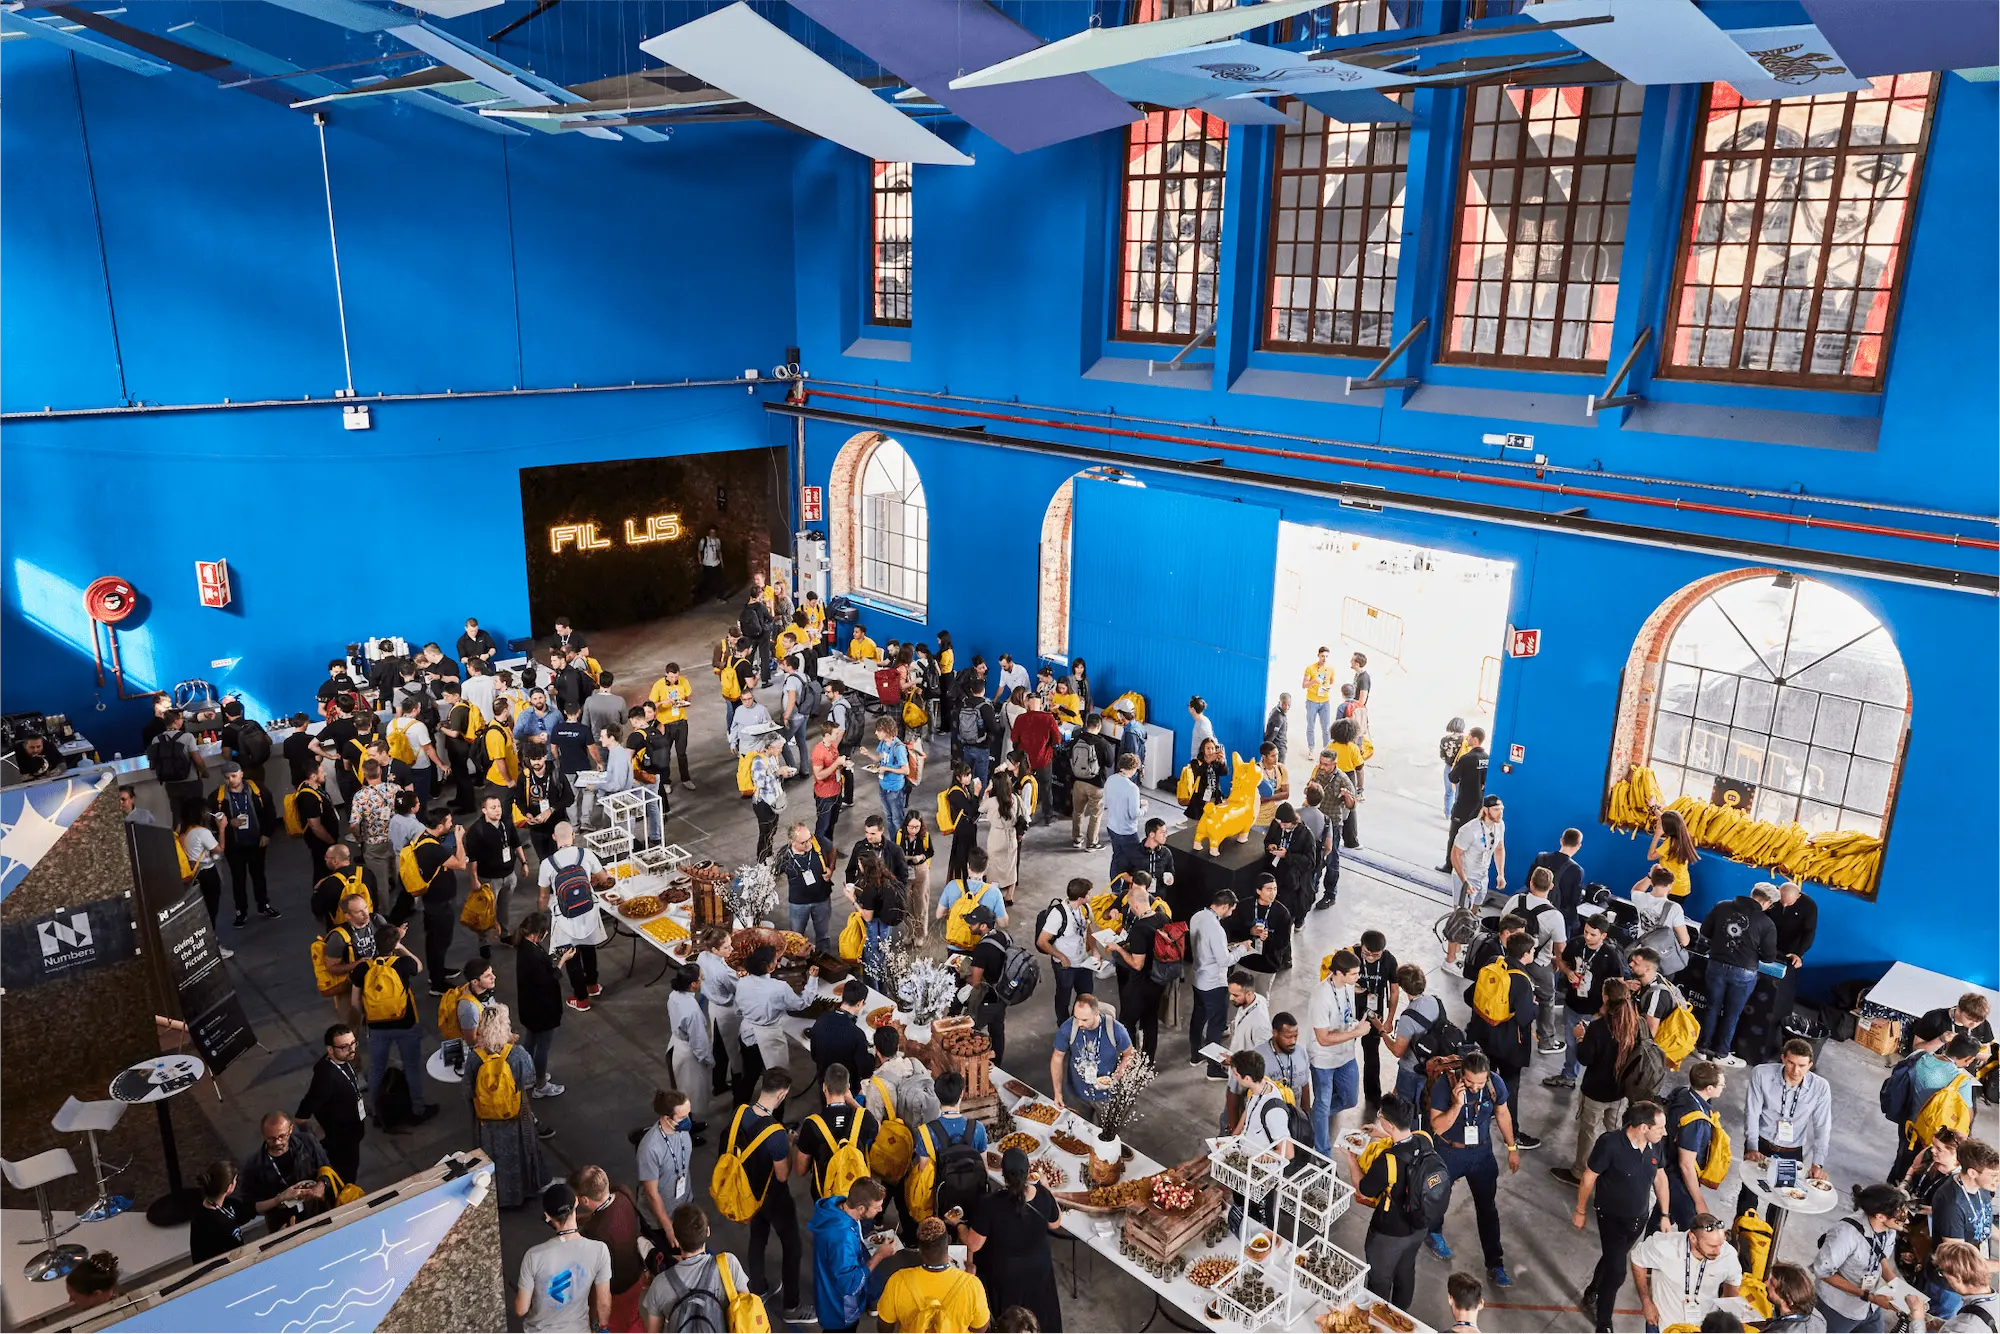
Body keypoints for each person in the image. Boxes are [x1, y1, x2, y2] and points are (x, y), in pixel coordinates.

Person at [1572, 1100, 1673, 1334]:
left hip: (1639, 1219)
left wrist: (1665, 1214)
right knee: (1617, 1272)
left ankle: (1592, 1290)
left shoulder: (1655, 1144)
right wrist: (1580, 1210)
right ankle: (1604, 1324)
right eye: (1660, 1127)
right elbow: (1589, 1177)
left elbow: (1660, 1179)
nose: (1665, 1132)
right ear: (1643, 1127)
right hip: (1612, 1219)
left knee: (1612, 1258)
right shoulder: (1610, 1144)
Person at [1427, 1049, 1521, 1285]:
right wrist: (1457, 1105)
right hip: (1449, 1151)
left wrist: (1512, 1148)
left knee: (1487, 1208)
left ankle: (1495, 1264)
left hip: (1481, 1153)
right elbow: (1437, 1127)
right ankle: (1434, 1232)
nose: (1476, 1087)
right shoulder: (1444, 1085)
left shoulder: (1494, 1084)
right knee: (1438, 1198)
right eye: (1470, 1081)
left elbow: (1503, 1114)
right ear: (1461, 1075)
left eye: (1480, 1082)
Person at [1346, 1093, 1437, 1311]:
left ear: (1388, 1122)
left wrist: (1350, 1157)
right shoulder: (1425, 1137)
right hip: (1419, 1225)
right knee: (1406, 1272)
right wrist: (1380, 1134)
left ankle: (1379, 1320)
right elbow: (1405, 1141)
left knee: (1380, 1279)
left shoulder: (1387, 1161)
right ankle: (1401, 1317)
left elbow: (1364, 1190)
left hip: (1389, 1233)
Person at [1553, 980, 1645, 1189]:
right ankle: (1612, 1171)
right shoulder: (1635, 1025)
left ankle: (1579, 1173)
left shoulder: (1598, 1028)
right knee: (1616, 1133)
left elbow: (1585, 1058)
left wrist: (1579, 1038)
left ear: (1605, 998)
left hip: (1596, 1091)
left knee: (1588, 1132)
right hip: (1621, 1092)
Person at [734, 1069, 808, 1321]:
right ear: (783, 1094)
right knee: (793, 1246)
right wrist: (788, 1144)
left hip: (748, 1192)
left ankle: (759, 1287)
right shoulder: (776, 1133)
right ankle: (792, 1306)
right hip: (774, 1196)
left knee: (758, 1237)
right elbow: (783, 1175)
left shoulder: (740, 1113)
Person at [966, 1148, 1064, 1333]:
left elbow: (973, 1244)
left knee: (1012, 1322)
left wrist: (959, 1226)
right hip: (1039, 1269)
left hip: (1006, 1273)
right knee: (1040, 1313)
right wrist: (1047, 1188)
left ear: (1002, 1173)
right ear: (1028, 1172)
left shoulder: (990, 1204)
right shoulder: (1042, 1195)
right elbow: (1056, 1223)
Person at [1813, 1184, 1925, 1334]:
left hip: (1869, 1307)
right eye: (1900, 1217)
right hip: (1837, 1308)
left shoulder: (1889, 1229)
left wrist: (1900, 1290)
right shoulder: (1845, 1233)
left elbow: (1880, 1257)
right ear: (1880, 1216)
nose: (1907, 1222)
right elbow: (1823, 1272)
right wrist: (1869, 1296)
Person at [1468, 932, 1543, 1150]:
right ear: (1526, 954)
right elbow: (1524, 1016)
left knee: (1485, 1077)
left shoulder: (1494, 963)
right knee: (1510, 1088)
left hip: (1485, 1036)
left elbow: (1469, 995)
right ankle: (1514, 1132)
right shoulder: (1521, 979)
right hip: (1510, 1045)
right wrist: (1535, 1006)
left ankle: (1479, 1114)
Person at [1742, 1038, 1835, 1209]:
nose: (1796, 1070)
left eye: (1802, 1065)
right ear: (1783, 1058)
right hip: (1761, 1143)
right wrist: (1752, 1146)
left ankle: (1773, 1234)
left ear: (1810, 1065)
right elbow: (1752, 1112)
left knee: (1785, 1200)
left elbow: (1822, 1126)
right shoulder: (1762, 1074)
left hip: (1791, 1151)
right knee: (1749, 1195)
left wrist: (1817, 1163)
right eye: (1791, 1063)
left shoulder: (1820, 1088)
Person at [359, 922, 434, 1127]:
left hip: (376, 1027)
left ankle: (375, 1110)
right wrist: (400, 946)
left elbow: (355, 1002)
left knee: (376, 1069)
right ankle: (418, 1108)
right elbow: (418, 965)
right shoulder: (402, 965)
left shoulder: (363, 968)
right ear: (394, 945)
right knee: (412, 1067)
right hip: (405, 1024)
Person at [1697, 884, 1780, 1066]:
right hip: (1743, 973)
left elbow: (1705, 931)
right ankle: (1721, 1054)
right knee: (1731, 1014)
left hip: (1716, 964)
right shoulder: (1767, 924)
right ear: (1767, 902)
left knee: (1711, 1008)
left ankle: (1702, 1049)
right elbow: (1768, 957)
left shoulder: (1722, 906)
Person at [515, 1182, 612, 1334]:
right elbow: (604, 1303)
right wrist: (603, 1327)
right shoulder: (599, 1250)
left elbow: (521, 1309)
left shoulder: (533, 1256)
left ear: (547, 1216)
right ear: (577, 1202)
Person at [641, 1202, 752, 1333]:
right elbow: (747, 1312)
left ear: (676, 1238)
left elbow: (653, 1331)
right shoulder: (728, 1264)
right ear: (708, 1232)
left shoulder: (660, 1284)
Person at [1630, 1212, 1744, 1333]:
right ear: (1693, 1237)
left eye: (1721, 1244)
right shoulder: (1665, 1245)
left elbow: (1733, 1281)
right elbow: (1637, 1260)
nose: (1718, 1251)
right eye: (1712, 1246)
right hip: (1664, 1325)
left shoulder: (1728, 1255)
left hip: (1701, 1328)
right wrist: (1646, 1302)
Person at [536, 822, 607, 1011]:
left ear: (554, 838)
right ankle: (592, 985)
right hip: (588, 911)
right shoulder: (586, 854)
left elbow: (543, 896)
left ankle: (581, 999)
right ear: (573, 835)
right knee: (589, 946)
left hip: (565, 917)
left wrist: (542, 913)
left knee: (570, 955)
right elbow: (604, 878)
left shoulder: (547, 864)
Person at [877, 1216, 990, 1334]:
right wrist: (968, 1280)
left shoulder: (898, 1281)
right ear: (949, 1240)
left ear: (919, 1249)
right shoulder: (972, 1285)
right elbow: (980, 1328)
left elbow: (885, 1327)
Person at [1553, 914, 1629, 1089]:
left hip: (1595, 1010)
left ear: (1603, 935)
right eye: (1586, 932)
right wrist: (1568, 972)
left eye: (1593, 934)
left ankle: (1593, 1082)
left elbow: (1618, 986)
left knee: (1593, 1048)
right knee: (1571, 1043)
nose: (1587, 937)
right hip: (1572, 1004)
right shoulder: (1576, 943)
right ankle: (1569, 1075)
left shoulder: (1611, 955)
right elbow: (1561, 960)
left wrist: (1602, 1011)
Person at [1925, 1138, 1998, 1318]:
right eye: (1993, 1175)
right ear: (1972, 1172)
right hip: (1950, 1284)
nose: (1997, 1180)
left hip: (1972, 1271)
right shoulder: (1951, 1204)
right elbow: (1959, 1262)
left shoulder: (1981, 1188)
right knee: (1941, 1322)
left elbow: (1984, 1223)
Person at [810, 1176, 892, 1334]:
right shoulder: (842, 1238)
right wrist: (879, 1256)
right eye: (877, 1207)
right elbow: (849, 1284)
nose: (881, 1210)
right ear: (861, 1208)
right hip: (840, 1309)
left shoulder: (837, 1207)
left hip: (827, 1293)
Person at [572, 1165, 648, 1333]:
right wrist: (587, 1218)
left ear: (584, 1200)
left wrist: (597, 1319)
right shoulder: (623, 1194)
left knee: (620, 1326)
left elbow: (596, 1279)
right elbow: (609, 1214)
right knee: (633, 1318)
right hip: (637, 1272)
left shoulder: (596, 1233)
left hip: (618, 1289)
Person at [1307, 949, 1368, 1156]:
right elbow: (1323, 1039)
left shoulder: (1347, 986)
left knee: (1350, 1099)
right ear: (1339, 973)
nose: (1357, 978)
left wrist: (1354, 1026)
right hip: (1323, 1061)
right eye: (1353, 974)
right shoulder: (1321, 996)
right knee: (1323, 1104)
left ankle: (1314, 1117)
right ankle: (1323, 1154)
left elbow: (1345, 1015)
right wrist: (1356, 1033)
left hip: (1346, 1055)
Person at [737, 946, 820, 1091]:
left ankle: (738, 1107)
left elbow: (739, 1008)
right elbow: (801, 1004)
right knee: (777, 1078)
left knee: (750, 1074)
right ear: (769, 966)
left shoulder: (743, 982)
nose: (777, 961)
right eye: (776, 959)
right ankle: (776, 1111)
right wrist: (812, 980)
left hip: (747, 1034)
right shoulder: (779, 987)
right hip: (769, 1036)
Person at [1657, 1061, 1729, 1226]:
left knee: (1662, 1214)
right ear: (1709, 1088)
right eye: (1721, 1085)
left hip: (1666, 1163)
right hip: (1679, 1179)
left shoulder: (1682, 1093)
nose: (1723, 1088)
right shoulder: (1696, 1121)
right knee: (1692, 1227)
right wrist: (1699, 1201)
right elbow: (1686, 1165)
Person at [294, 1024, 367, 1183]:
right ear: (330, 1050)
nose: (352, 1049)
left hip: (352, 1131)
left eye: (353, 1043)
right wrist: (312, 1137)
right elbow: (302, 1114)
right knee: (346, 1177)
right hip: (341, 1141)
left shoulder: (344, 1060)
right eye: (345, 1047)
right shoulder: (326, 1078)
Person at [795, 1063, 880, 1198]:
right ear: (848, 1088)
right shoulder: (863, 1118)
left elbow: (800, 1170)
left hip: (825, 1195)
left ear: (824, 1087)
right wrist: (852, 1101)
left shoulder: (812, 1125)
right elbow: (877, 1128)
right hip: (857, 1195)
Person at [239, 1112, 332, 1232]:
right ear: (263, 1135)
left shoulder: (308, 1142)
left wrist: (321, 1185)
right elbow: (251, 1207)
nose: (277, 1142)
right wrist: (279, 1199)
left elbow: (325, 1168)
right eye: (271, 1139)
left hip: (318, 1212)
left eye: (282, 1136)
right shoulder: (255, 1165)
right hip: (282, 1224)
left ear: (291, 1129)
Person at [1107, 877, 1168, 1061]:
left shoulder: (1140, 929)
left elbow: (1137, 964)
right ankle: (1148, 1059)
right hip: (1158, 980)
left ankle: (1129, 1059)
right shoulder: (1163, 917)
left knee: (1127, 1021)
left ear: (1134, 905)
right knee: (1150, 1020)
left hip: (1140, 983)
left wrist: (1118, 948)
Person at [210, 763, 277, 925]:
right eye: (227, 778)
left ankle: (263, 904)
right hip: (235, 845)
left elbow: (270, 811)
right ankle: (241, 911)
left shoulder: (257, 789)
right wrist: (226, 823)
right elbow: (210, 819)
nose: (231, 780)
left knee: (258, 875)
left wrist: (267, 834)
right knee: (238, 879)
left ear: (241, 774)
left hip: (256, 841)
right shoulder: (217, 797)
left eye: (234, 776)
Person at [1049, 993, 1133, 1122]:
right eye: (1076, 1017)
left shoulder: (1115, 1029)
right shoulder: (1068, 1028)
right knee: (1078, 1131)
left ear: (1096, 1014)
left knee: (1105, 1133)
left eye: (1084, 1020)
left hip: (1107, 1096)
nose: (1079, 1023)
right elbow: (1057, 1058)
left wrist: (1116, 1077)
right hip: (1077, 1094)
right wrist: (1058, 1093)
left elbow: (1129, 1054)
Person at [1446, 796, 1508, 967]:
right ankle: (1450, 959)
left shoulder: (1499, 826)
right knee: (1460, 916)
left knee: (1473, 914)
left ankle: (1459, 947)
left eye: (1502, 809)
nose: (1500, 812)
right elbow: (1455, 855)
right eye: (1496, 809)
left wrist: (1500, 874)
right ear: (1486, 810)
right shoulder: (1470, 830)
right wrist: (1465, 881)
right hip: (1466, 877)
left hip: (1482, 876)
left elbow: (1500, 848)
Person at [515, 912, 570, 1098]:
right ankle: (540, 1084)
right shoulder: (532, 955)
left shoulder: (524, 946)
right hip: (542, 1008)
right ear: (538, 933)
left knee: (530, 1040)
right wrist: (561, 963)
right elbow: (546, 981)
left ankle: (528, 1075)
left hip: (529, 1006)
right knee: (543, 1047)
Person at [1188, 888, 1237, 1079]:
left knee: (1198, 1017)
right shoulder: (1217, 929)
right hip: (1214, 983)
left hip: (1197, 977)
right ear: (1224, 906)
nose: (1231, 913)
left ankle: (1195, 1055)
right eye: (1231, 909)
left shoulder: (1197, 916)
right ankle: (1214, 1069)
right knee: (1216, 1025)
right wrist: (1241, 949)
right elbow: (1224, 961)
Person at [1036, 877, 1097, 1025]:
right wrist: (1061, 957)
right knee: (1064, 995)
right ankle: (1064, 1024)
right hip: (1065, 966)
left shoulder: (1085, 909)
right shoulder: (1058, 915)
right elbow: (1042, 941)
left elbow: (1087, 929)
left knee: (1086, 994)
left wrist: (1094, 950)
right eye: (1089, 894)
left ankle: (1077, 1019)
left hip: (1083, 962)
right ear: (1081, 898)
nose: (1092, 897)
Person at [1351, 930, 1401, 1105]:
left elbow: (1394, 991)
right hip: (1350, 1011)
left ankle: (1372, 1096)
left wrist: (1389, 1019)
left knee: (1372, 1054)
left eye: (1376, 955)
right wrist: (1351, 988)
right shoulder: (1352, 954)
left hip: (1374, 1014)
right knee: (1343, 1051)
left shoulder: (1389, 961)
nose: (1370, 957)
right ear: (1361, 946)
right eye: (1366, 953)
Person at [1381, 965, 1441, 1107]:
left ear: (1403, 987)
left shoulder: (1408, 1018)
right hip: (1432, 1064)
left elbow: (1398, 1051)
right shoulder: (1434, 1001)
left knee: (1404, 1109)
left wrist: (1381, 1032)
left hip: (1412, 1069)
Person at [962, 907, 1017, 1062]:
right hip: (1004, 994)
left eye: (973, 923)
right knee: (997, 1030)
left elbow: (976, 982)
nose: (969, 926)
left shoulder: (982, 949)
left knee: (970, 1029)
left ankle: (971, 1064)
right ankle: (997, 1062)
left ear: (984, 926)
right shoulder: (1005, 937)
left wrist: (964, 974)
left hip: (988, 998)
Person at [175, 800, 230, 954]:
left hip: (194, 877)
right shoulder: (202, 832)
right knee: (211, 912)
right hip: (208, 875)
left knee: (201, 912)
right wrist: (222, 828)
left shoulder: (183, 831)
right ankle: (213, 947)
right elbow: (219, 850)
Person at [775, 821, 836, 955]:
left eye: (809, 839)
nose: (808, 844)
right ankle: (798, 962)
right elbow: (774, 874)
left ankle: (824, 961)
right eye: (803, 842)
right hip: (798, 903)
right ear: (792, 842)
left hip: (822, 899)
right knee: (796, 938)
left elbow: (832, 849)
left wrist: (831, 868)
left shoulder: (818, 841)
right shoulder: (784, 855)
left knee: (823, 936)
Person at [1440, 726, 1490, 873]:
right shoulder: (1487, 759)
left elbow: (1452, 777)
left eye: (1469, 737)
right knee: (1472, 837)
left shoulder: (1467, 758)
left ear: (1474, 739)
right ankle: (1466, 865)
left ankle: (1450, 865)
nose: (1467, 739)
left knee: (1455, 835)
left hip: (1463, 803)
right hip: (1478, 804)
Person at [809, 981, 877, 1089]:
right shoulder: (857, 1035)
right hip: (846, 1089)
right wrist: (872, 1056)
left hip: (824, 1082)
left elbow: (814, 1054)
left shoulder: (821, 1019)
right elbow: (865, 1072)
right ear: (860, 1003)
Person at [1229, 873, 1295, 982]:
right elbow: (1233, 930)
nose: (1273, 893)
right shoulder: (1244, 906)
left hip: (1267, 966)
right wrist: (1249, 931)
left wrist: (1269, 937)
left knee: (1261, 997)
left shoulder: (1282, 913)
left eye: (1275, 889)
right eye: (1269, 889)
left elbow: (1284, 942)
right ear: (1258, 891)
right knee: (1237, 995)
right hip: (1244, 961)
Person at [666, 970, 713, 1120]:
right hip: (689, 1054)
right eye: (700, 977)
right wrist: (708, 1060)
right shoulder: (693, 1012)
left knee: (682, 1089)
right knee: (690, 1093)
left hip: (677, 1044)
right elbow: (698, 1041)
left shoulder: (674, 995)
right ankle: (687, 1131)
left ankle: (689, 1124)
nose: (703, 978)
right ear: (693, 984)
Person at [1065, 712, 1116, 850]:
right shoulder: (1103, 743)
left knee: (1077, 812)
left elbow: (1068, 758)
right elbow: (1110, 763)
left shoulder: (1076, 740)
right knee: (1095, 814)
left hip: (1078, 783)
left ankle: (1077, 839)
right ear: (1099, 726)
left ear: (1086, 724)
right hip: (1096, 784)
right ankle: (1092, 843)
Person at [189, 1161, 254, 1263]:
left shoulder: (224, 1203)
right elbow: (237, 1253)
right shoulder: (219, 1224)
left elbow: (247, 1211)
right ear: (229, 1187)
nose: (236, 1182)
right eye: (235, 1180)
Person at [1632, 866, 1692, 978]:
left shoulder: (1640, 898)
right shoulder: (1674, 908)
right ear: (1670, 885)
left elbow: (1636, 890)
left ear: (1652, 882)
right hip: (1662, 961)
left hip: (1640, 955)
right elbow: (1685, 941)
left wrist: (1650, 874)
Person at [1933, 1239, 1999, 1334]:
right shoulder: (1995, 1302)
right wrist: (1944, 1326)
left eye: (1941, 1273)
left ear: (1957, 1277)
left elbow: (1967, 1328)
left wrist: (1917, 1317)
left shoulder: (1967, 1324)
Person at [1264, 802, 1316, 922]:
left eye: (1285, 823)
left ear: (1293, 821)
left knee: (1287, 911)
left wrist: (1288, 855)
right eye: (1279, 822)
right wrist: (1270, 846)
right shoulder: (1276, 825)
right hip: (1274, 873)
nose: (1281, 826)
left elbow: (1310, 862)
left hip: (1292, 880)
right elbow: (1268, 840)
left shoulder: (1305, 834)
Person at [1533, 828, 1589, 934]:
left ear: (1561, 841)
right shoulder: (1577, 870)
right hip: (1558, 919)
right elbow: (1575, 901)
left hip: (1533, 910)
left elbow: (1528, 882)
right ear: (1578, 846)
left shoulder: (1541, 857)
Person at [981, 772, 1022, 905]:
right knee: (1011, 866)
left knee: (993, 867)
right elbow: (1024, 814)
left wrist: (986, 791)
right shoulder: (1015, 798)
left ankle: (993, 895)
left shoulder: (992, 802)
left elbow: (980, 808)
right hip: (1011, 836)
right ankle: (1009, 896)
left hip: (996, 837)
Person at [1766, 879, 1818, 969]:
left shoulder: (1809, 906)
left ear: (1798, 897)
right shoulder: (1770, 895)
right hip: (1767, 941)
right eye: (1781, 901)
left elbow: (1809, 931)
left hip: (1790, 948)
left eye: (1789, 903)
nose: (1784, 905)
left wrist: (1798, 954)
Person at [812, 719, 850, 843]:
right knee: (822, 826)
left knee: (832, 823)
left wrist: (843, 764)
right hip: (825, 795)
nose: (838, 735)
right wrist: (836, 763)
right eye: (836, 733)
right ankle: (819, 853)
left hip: (837, 791)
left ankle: (829, 848)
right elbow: (819, 775)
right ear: (827, 735)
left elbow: (836, 766)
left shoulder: (833, 746)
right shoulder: (818, 751)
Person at [1650, 808, 1701, 900]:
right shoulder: (1685, 836)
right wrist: (1653, 808)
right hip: (1683, 887)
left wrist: (1657, 835)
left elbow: (1650, 856)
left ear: (1667, 827)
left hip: (1671, 889)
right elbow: (1666, 819)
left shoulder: (1670, 844)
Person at [1763, 1262, 1828, 1334]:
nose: (1766, 1283)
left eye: (1772, 1283)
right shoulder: (1819, 1319)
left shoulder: (1778, 1332)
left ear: (1789, 1300)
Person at [1180, 736, 1230, 826]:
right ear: (1203, 749)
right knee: (1195, 823)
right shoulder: (1195, 762)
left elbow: (1224, 773)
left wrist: (1223, 762)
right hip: (1199, 798)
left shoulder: (1216, 763)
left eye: (1212, 748)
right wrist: (1207, 762)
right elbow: (1198, 772)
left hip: (1214, 797)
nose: (1210, 751)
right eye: (1208, 748)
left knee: (1211, 822)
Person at [1264, 691, 1292, 760]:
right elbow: (1271, 736)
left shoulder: (1276, 710)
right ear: (1279, 702)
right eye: (1284, 704)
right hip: (1278, 749)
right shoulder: (1278, 718)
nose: (1286, 707)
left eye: (1289, 704)